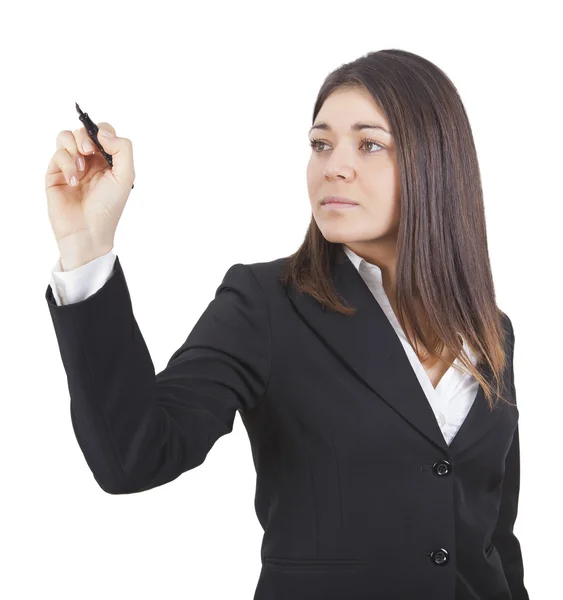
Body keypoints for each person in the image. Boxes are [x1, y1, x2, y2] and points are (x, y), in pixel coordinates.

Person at [44, 49, 529, 600]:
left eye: (369, 144)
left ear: (437, 163)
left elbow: (496, 537)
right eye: (321, 144)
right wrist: (86, 247)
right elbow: (131, 456)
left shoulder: (491, 331)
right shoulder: (264, 305)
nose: (333, 165)